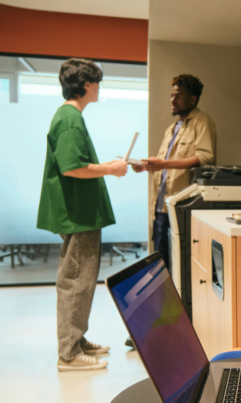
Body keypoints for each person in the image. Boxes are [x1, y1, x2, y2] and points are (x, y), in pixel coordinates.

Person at [37, 58, 128, 371]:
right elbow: (72, 167)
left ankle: (75, 340)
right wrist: (111, 169)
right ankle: (69, 354)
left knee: (80, 280)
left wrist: (107, 167)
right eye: (97, 83)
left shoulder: (69, 117)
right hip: (78, 214)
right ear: (86, 84)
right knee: (77, 281)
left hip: (81, 213)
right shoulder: (69, 119)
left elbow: (75, 163)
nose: (99, 88)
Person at [132, 74, 216, 271]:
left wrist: (163, 164)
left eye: (178, 96)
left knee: (178, 265)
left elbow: (205, 157)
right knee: (160, 263)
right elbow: (166, 167)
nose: (172, 100)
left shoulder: (201, 121)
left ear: (192, 100)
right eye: (172, 95)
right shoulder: (171, 128)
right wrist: (147, 166)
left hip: (181, 205)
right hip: (160, 206)